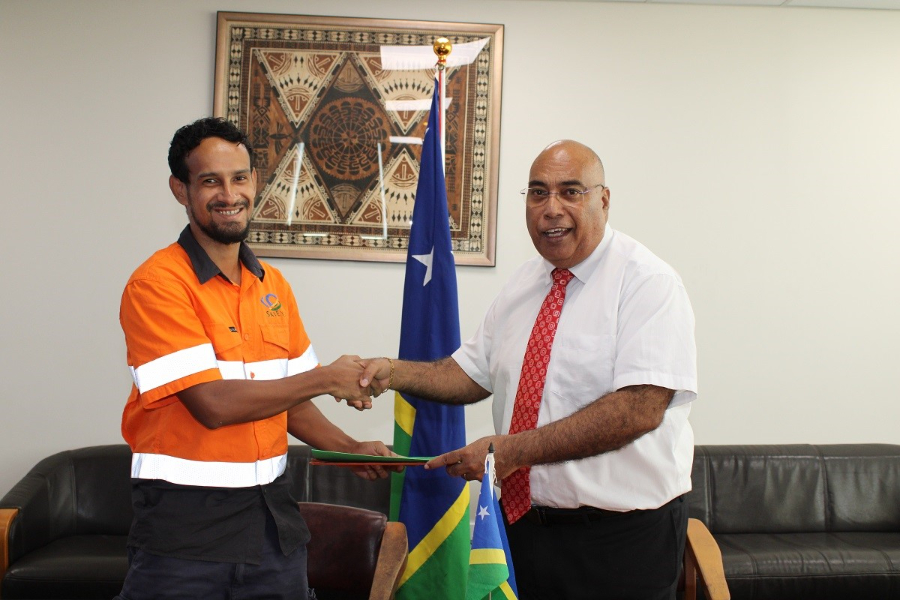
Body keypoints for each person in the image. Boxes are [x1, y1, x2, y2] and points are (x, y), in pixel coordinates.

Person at [359, 140, 697, 600]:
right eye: (538, 193)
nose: (551, 208)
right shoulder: (523, 285)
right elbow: (468, 373)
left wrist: (511, 451)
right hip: (521, 529)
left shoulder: (648, 283)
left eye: (570, 191)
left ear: (604, 199)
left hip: (620, 539)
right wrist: (391, 372)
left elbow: (638, 410)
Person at [116, 117, 388, 600]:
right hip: (184, 536)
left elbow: (290, 399)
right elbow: (213, 404)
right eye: (210, 181)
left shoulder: (273, 287)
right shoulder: (157, 284)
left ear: (255, 181)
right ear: (181, 190)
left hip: (271, 528)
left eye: (239, 177)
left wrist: (349, 449)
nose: (229, 194)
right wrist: (326, 378)